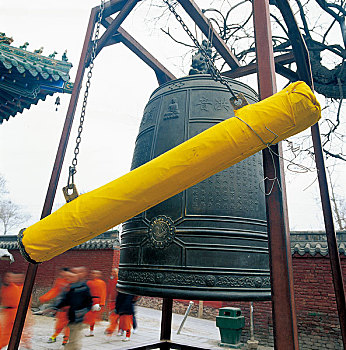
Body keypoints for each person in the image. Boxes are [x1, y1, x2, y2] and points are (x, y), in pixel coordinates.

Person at [54, 270, 92, 350]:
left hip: (78, 317)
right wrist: (55, 307)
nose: (69, 278)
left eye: (71, 277)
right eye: (68, 277)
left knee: (74, 340)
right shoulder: (70, 287)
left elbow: (89, 302)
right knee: (72, 339)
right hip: (71, 317)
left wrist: (82, 312)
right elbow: (64, 300)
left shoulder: (83, 287)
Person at [39, 267, 70, 345]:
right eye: (61, 273)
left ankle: (65, 339)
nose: (62, 274)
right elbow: (54, 291)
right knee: (59, 324)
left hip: (71, 308)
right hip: (61, 307)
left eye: (64, 273)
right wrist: (46, 297)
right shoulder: (60, 281)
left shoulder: (73, 282)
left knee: (68, 324)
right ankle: (54, 336)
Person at [0, 272, 21, 349]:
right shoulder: (3, 288)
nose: (8, 279)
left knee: (7, 334)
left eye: (10, 277)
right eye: (7, 277)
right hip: (5, 312)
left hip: (13, 313)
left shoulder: (15, 288)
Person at [84, 270, 107, 337]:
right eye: (92, 273)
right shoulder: (89, 282)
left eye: (95, 273)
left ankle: (91, 331)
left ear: (99, 275)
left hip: (96, 302)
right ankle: (90, 331)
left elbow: (103, 293)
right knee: (88, 317)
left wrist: (101, 303)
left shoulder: (102, 283)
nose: (93, 274)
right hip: (89, 301)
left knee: (92, 317)